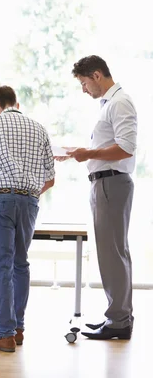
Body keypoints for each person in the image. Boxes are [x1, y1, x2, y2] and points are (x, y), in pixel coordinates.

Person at [0, 85, 55, 352]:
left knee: (1, 265)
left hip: (0, 198)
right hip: (29, 200)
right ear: (16, 104)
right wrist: (30, 195)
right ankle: (18, 328)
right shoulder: (39, 128)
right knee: (21, 264)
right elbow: (50, 178)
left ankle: (4, 333)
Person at [63, 55, 137, 340]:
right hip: (107, 184)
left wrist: (89, 154)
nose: (84, 89)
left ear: (96, 75)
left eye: (84, 83)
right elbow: (112, 145)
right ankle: (119, 316)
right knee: (114, 253)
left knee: (112, 254)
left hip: (111, 184)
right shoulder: (110, 104)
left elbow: (126, 148)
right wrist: (83, 152)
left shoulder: (119, 102)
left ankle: (118, 321)